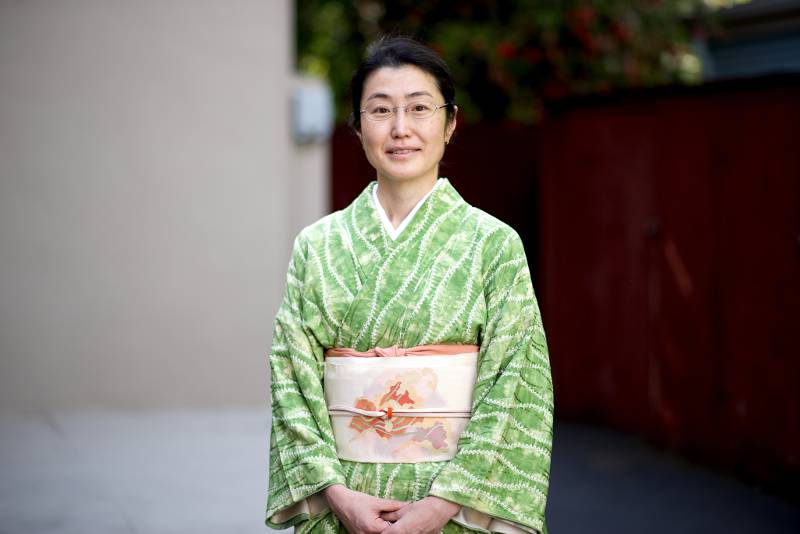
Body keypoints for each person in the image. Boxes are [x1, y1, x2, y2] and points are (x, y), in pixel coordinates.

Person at [265, 36, 553, 534]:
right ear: (357, 127)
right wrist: (336, 495)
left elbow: (515, 383)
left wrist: (442, 505)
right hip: (345, 501)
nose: (400, 129)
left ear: (450, 123)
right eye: (380, 111)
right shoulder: (317, 245)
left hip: (460, 507)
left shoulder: (494, 244)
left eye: (419, 108)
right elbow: (291, 377)